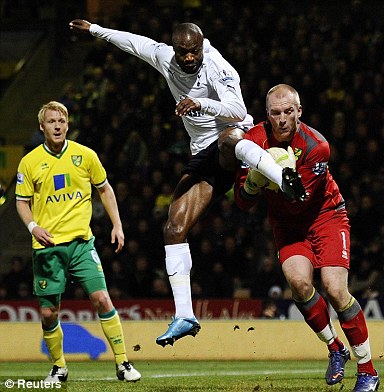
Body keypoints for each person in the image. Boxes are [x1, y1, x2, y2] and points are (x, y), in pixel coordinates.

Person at [69, 19, 307, 347]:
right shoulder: (165, 57)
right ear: (175, 49)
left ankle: (282, 178)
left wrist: (201, 103)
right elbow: (132, 41)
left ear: (201, 45)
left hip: (237, 138)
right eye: (184, 52)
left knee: (227, 141)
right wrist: (95, 30)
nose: (190, 58)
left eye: (194, 51)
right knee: (173, 227)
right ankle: (184, 316)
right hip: (204, 155)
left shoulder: (218, 67)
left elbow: (238, 110)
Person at [234, 84, 379, 391]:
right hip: (288, 227)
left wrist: (270, 175)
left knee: (335, 289)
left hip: (326, 216)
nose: (283, 119)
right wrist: (251, 185)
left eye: (289, 111)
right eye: (276, 113)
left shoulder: (318, 146)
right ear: (267, 115)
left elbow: (300, 198)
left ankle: (368, 370)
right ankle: (335, 347)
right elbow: (242, 202)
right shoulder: (253, 141)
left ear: (299, 111)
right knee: (299, 285)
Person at [14, 101, 141, 382]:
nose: (57, 125)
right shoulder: (30, 162)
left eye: (61, 120)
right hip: (47, 248)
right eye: (51, 121)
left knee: (102, 299)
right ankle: (59, 367)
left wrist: (117, 225)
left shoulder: (85, 156)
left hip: (82, 244)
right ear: (42, 126)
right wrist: (33, 227)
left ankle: (123, 363)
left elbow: (105, 189)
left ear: (68, 125)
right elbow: (21, 202)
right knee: (49, 313)